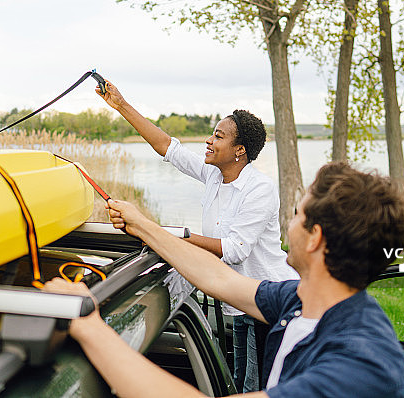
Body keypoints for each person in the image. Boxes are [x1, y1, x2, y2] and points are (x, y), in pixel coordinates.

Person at [44, 161, 404, 397]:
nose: (288, 223)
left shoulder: (361, 367)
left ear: (315, 237)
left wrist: (87, 324)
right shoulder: (307, 301)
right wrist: (143, 225)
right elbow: (219, 279)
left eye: (297, 215)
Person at [96, 80, 297, 392]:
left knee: (255, 387)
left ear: (239, 150)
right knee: (239, 381)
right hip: (237, 304)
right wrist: (120, 105)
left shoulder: (260, 188)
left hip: (266, 305)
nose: (209, 140)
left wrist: (168, 237)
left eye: (218, 136)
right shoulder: (215, 175)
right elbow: (168, 147)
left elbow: (235, 250)